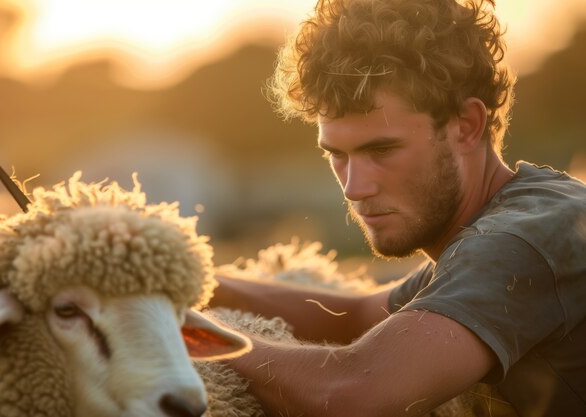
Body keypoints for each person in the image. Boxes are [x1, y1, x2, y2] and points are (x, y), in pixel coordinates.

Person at [209, 0, 586, 416]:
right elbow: (356, 316)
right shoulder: (504, 227)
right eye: (338, 155)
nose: (354, 188)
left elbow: (351, 394)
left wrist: (183, 332)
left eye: (382, 150)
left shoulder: (523, 239)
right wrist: (193, 281)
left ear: (467, 126)